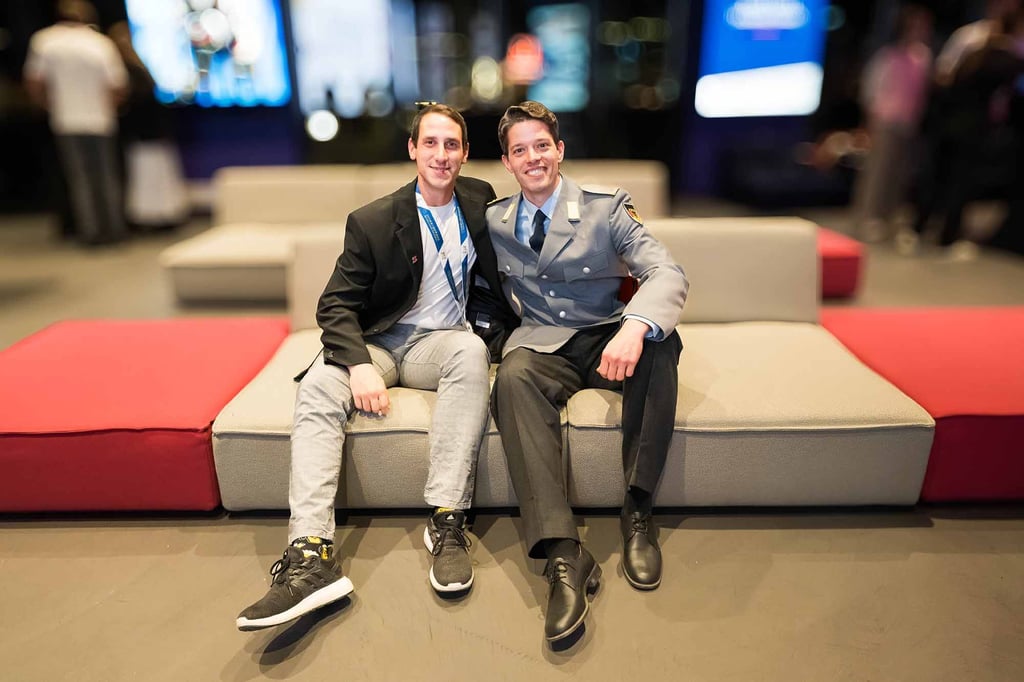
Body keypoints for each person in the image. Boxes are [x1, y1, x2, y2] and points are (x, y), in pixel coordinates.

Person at [237, 103, 512, 631]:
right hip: (382, 343)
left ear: (465, 153)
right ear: (412, 150)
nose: (441, 155)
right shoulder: (374, 221)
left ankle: (447, 520)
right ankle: (311, 553)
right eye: (429, 143)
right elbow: (334, 306)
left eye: (451, 145)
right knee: (319, 383)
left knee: (472, 353)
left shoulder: (480, 200)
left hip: (443, 343)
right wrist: (359, 365)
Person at [486, 101, 688, 643]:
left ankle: (638, 512)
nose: (533, 158)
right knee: (511, 377)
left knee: (660, 343)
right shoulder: (495, 219)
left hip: (606, 335)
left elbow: (666, 271)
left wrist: (634, 326)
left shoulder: (606, 207)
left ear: (560, 150)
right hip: (544, 345)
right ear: (507, 162)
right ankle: (562, 555)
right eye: (520, 150)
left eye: (542, 146)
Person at [23, 0, 128, 246]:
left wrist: (50, 105)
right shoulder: (100, 43)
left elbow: (33, 81)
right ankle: (114, 230)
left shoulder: (45, 41)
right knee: (107, 177)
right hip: (101, 120)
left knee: (80, 178)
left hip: (66, 120)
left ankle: (90, 233)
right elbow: (118, 85)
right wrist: (107, 108)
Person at [852, 4, 933, 243]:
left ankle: (889, 217)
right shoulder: (888, 55)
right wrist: (870, 120)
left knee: (900, 174)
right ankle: (868, 216)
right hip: (886, 120)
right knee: (878, 171)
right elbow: (872, 88)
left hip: (910, 123)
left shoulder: (923, 57)